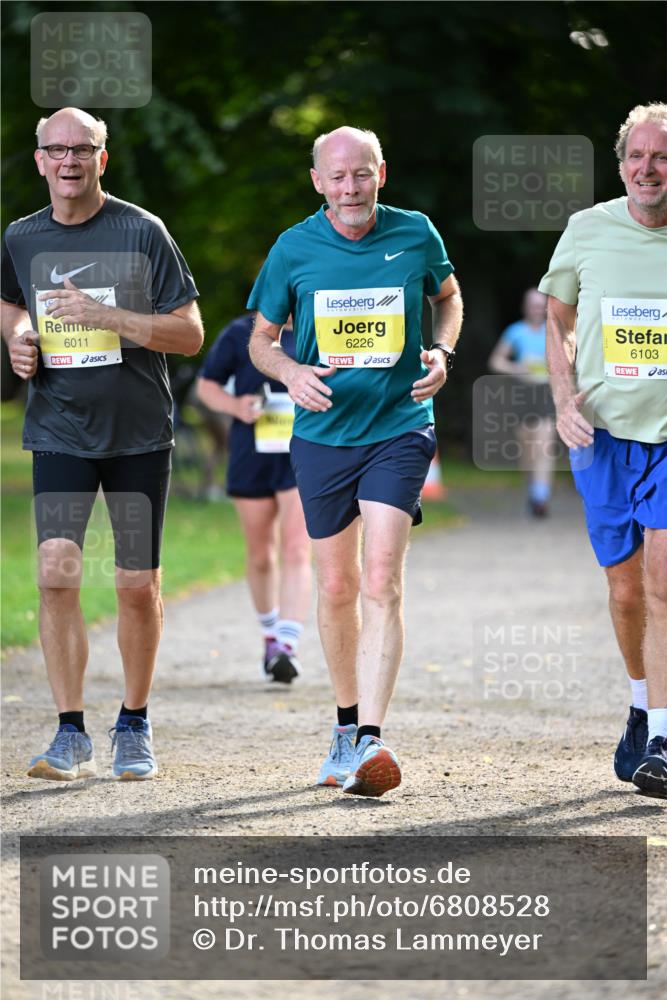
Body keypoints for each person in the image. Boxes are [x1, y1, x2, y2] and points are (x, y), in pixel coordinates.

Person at [247, 126, 463, 796]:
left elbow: (447, 299)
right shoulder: (293, 247)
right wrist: (287, 371)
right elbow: (261, 338)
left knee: (381, 577)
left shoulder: (415, 232)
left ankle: (371, 736)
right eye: (337, 177)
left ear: (381, 174)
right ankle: (344, 729)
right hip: (320, 436)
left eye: (361, 174)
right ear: (317, 182)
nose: (349, 188)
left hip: (399, 426)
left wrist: (442, 352)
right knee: (335, 586)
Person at [1, 108, 204, 781]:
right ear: (39, 161)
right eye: (55, 150)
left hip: (138, 434)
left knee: (135, 584)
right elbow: (11, 303)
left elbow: (189, 333)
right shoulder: (20, 237)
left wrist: (107, 317)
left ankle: (134, 722)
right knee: (55, 569)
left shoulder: (141, 231)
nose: (68, 161)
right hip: (59, 428)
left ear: (101, 159)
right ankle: (68, 732)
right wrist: (20, 337)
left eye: (81, 149)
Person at [539, 103, 667, 799]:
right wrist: (563, 398)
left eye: (661, 157)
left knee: (661, 580)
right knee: (623, 590)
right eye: (636, 157)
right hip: (603, 437)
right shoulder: (586, 230)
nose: (648, 169)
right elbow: (557, 315)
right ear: (621, 165)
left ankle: (663, 736)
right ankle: (640, 704)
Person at [197, 313, 311, 682]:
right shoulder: (241, 332)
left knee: (296, 549)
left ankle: (287, 646)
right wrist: (235, 407)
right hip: (252, 451)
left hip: (304, 453)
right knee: (262, 554)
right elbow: (206, 386)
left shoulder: (322, 326)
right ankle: (270, 634)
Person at [488, 288, 556, 516]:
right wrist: (517, 368)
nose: (537, 309)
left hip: (546, 393)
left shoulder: (554, 331)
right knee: (527, 451)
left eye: (541, 305)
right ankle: (533, 487)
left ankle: (541, 497)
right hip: (521, 395)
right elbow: (496, 361)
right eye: (533, 305)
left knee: (544, 446)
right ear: (525, 307)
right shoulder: (515, 332)